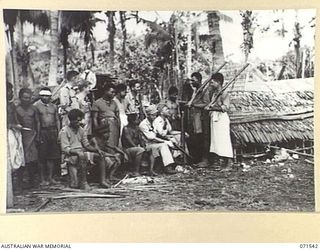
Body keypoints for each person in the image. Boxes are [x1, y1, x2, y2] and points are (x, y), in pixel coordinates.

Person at [59, 109, 115, 189]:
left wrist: (97, 150)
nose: (79, 123)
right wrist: (77, 152)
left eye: (80, 120)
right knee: (74, 184)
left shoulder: (81, 130)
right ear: (71, 120)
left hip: (82, 152)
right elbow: (65, 149)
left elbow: (86, 145)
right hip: (70, 155)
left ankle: (102, 181)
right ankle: (83, 182)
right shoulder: (64, 131)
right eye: (77, 121)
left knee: (100, 156)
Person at [34, 87, 60, 185]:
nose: (45, 98)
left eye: (47, 96)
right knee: (42, 156)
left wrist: (58, 132)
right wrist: (38, 135)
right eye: (43, 96)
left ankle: (50, 177)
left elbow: (57, 119)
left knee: (51, 156)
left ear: (50, 97)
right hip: (43, 132)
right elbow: (37, 122)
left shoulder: (54, 106)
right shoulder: (36, 106)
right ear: (40, 96)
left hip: (53, 131)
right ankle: (42, 179)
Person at [139, 105, 177, 174]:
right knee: (164, 145)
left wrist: (167, 139)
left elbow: (158, 134)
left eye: (155, 115)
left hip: (155, 143)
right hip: (147, 144)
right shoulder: (143, 124)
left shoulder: (153, 122)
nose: (154, 117)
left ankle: (170, 164)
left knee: (169, 143)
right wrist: (164, 141)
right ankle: (167, 167)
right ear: (148, 115)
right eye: (152, 115)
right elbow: (151, 137)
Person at [207, 73, 233, 169]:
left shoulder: (225, 93)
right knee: (216, 141)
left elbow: (225, 108)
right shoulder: (214, 94)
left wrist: (212, 108)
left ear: (218, 82)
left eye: (212, 82)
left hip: (221, 118)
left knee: (224, 140)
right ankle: (220, 162)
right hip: (214, 118)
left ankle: (229, 163)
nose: (211, 84)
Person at [16, 88, 40, 189]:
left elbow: (38, 122)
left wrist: (38, 135)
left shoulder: (34, 108)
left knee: (33, 159)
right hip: (21, 136)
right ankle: (19, 181)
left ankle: (32, 181)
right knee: (21, 158)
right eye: (25, 98)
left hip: (32, 135)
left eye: (29, 98)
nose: (27, 100)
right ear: (20, 98)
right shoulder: (16, 109)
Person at [7, 81, 25, 204]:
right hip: (7, 133)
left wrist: (18, 126)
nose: (11, 93)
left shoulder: (12, 105)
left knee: (17, 157)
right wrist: (13, 125)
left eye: (12, 90)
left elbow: (15, 118)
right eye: (9, 90)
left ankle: (16, 186)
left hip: (15, 132)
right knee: (10, 158)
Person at [122, 112, 153, 176]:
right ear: (132, 120)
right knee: (140, 150)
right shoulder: (126, 129)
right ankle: (135, 171)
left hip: (136, 147)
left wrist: (144, 146)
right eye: (137, 119)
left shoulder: (137, 128)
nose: (138, 120)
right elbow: (129, 141)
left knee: (150, 149)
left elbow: (140, 139)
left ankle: (150, 170)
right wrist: (139, 148)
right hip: (128, 149)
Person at [92, 83, 120, 149]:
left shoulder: (114, 103)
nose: (114, 94)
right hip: (105, 126)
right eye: (112, 92)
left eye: (115, 92)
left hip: (115, 126)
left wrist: (119, 126)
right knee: (107, 144)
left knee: (115, 144)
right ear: (106, 91)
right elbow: (94, 118)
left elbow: (117, 115)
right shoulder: (97, 102)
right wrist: (97, 129)